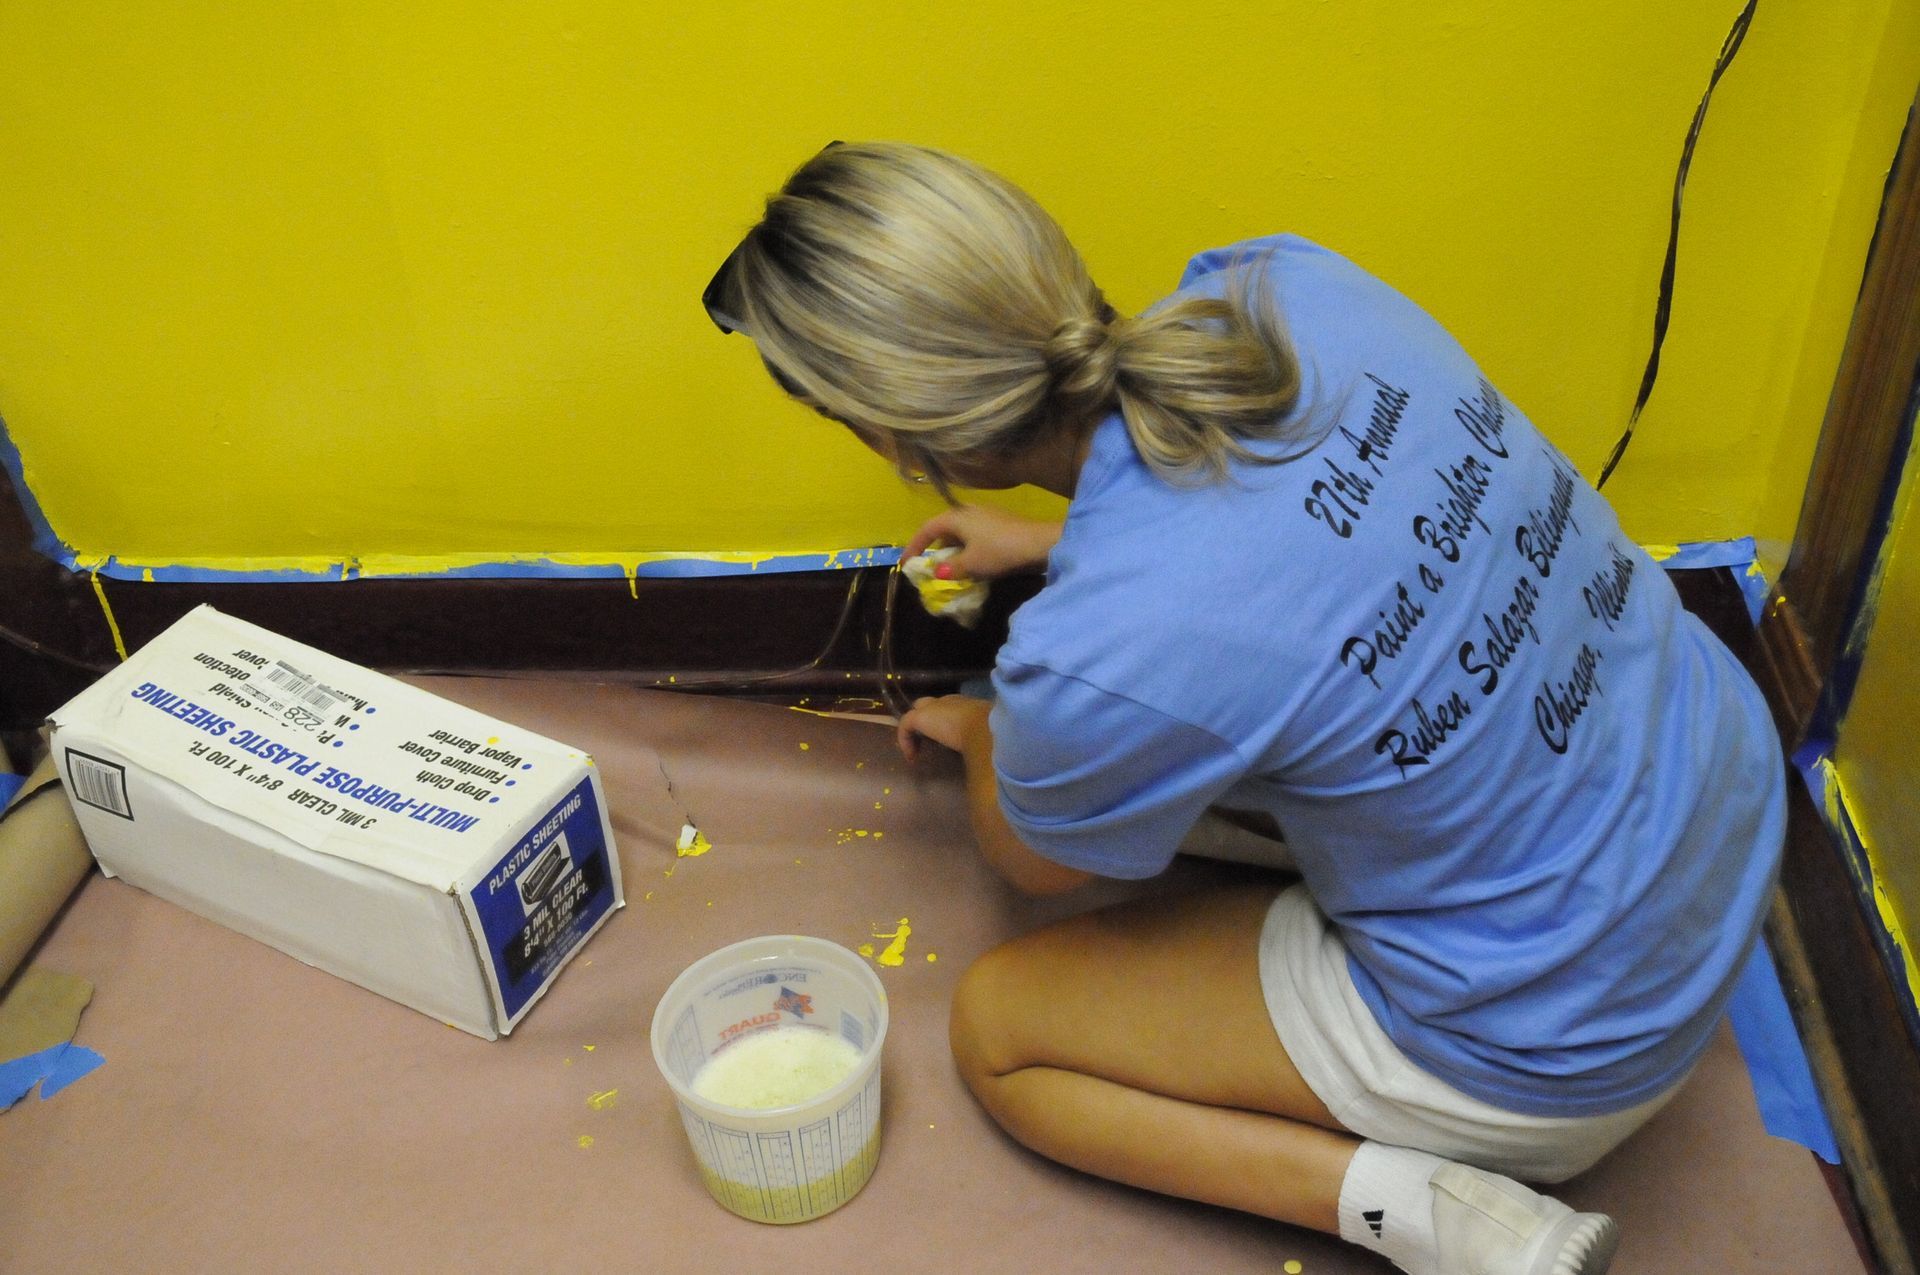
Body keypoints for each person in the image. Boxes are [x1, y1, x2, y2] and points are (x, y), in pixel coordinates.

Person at [704, 141, 1785, 1275]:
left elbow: (1033, 861)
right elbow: (1312, 532)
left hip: (1559, 1039)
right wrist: (1064, 546)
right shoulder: (1286, 285)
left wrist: (989, 731)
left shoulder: (1095, 662)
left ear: (888, 435)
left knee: (1000, 1034)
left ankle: (1444, 1219)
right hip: (1722, 809)